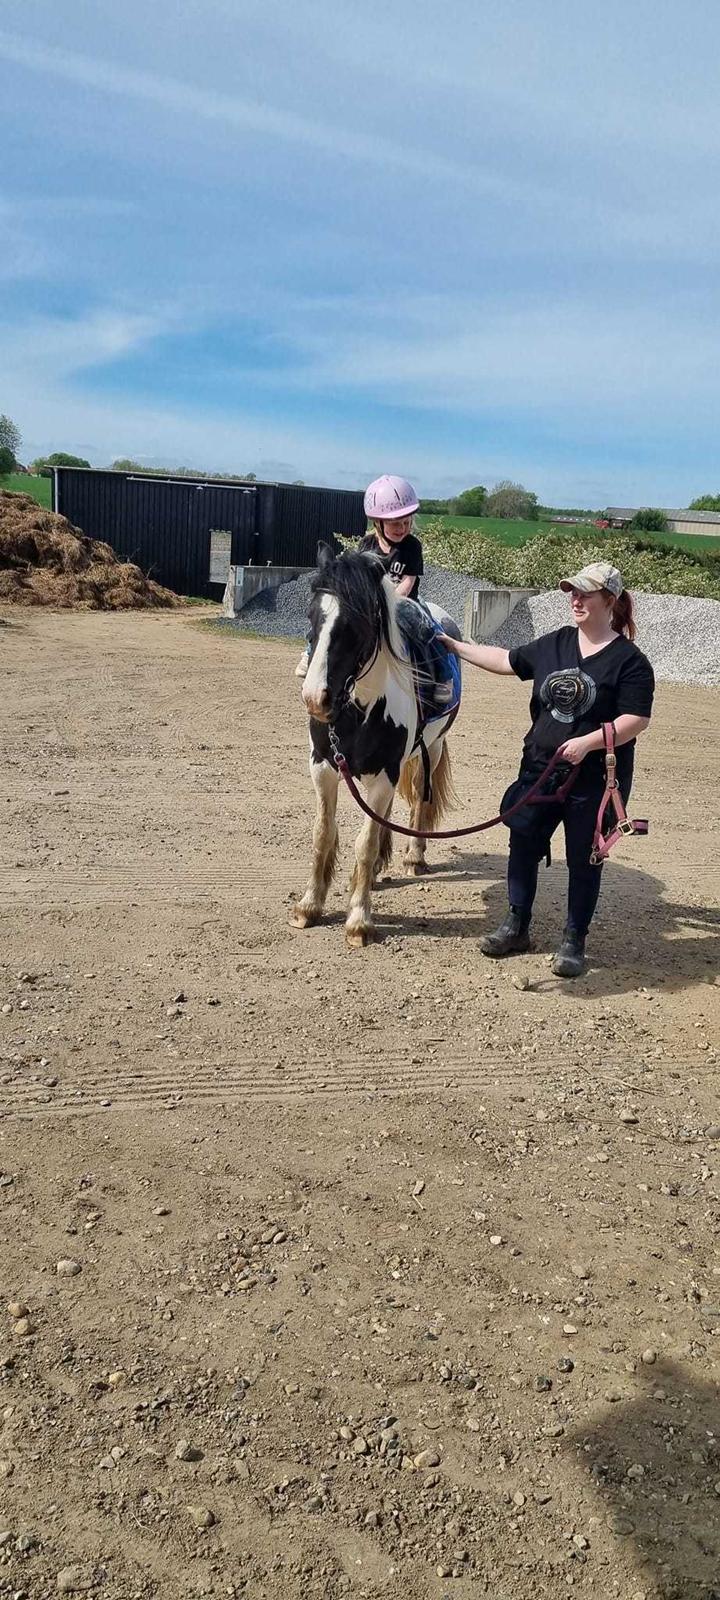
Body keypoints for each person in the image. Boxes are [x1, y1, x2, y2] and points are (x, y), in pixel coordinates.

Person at [438, 561, 655, 977]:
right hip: (540, 766)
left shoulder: (630, 662)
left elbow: (636, 720)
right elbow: (506, 659)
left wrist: (589, 742)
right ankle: (516, 924)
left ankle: (574, 940)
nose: (575, 599)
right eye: (572, 591)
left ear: (609, 600)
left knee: (583, 856)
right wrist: (455, 646)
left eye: (585, 593)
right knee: (522, 840)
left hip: (593, 778)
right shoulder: (555, 644)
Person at [296, 474, 454, 704]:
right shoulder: (367, 544)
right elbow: (360, 578)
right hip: (371, 602)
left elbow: (409, 581)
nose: (402, 528)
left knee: (427, 630)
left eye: (406, 522)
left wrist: (392, 601)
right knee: (328, 619)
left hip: (404, 602)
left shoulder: (411, 546)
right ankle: (310, 653)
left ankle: (443, 676)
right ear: (377, 523)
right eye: (395, 523)